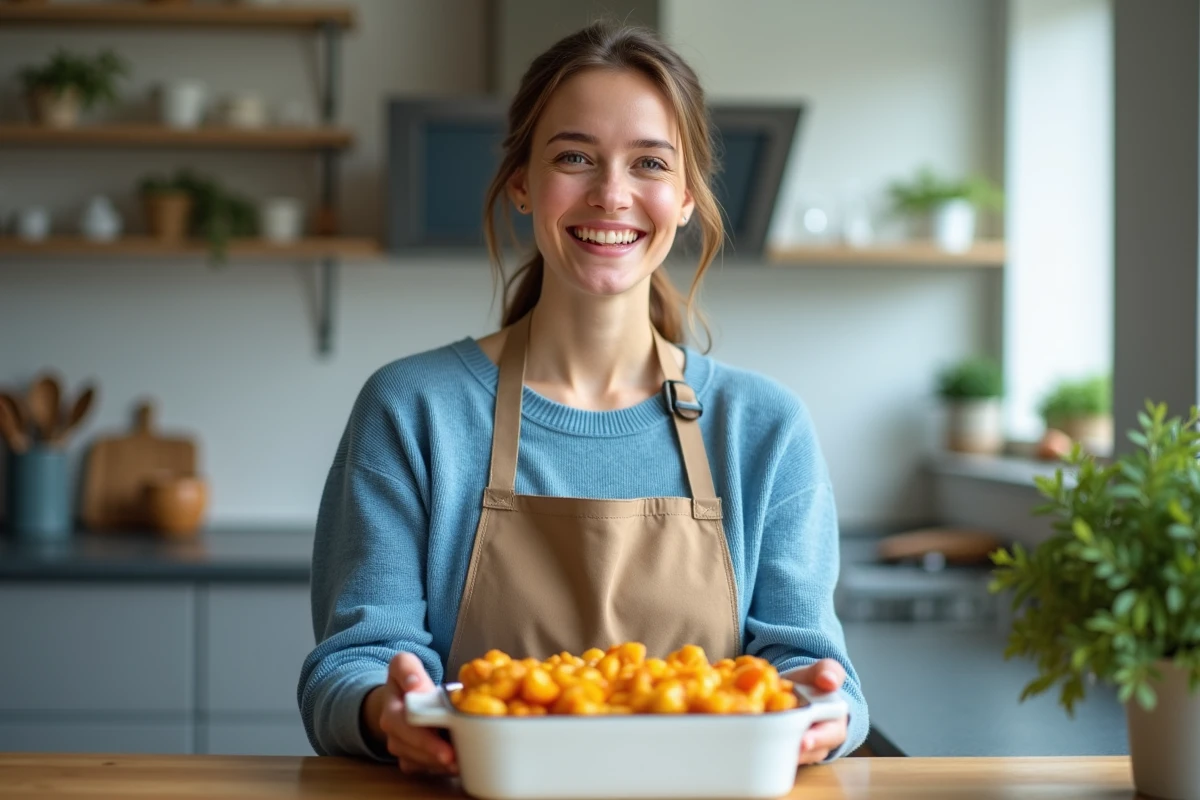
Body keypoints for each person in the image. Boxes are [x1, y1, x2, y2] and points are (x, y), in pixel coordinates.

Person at [298, 20, 869, 774]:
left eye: (650, 164)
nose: (611, 194)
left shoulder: (763, 428)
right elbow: (352, 665)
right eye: (575, 157)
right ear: (523, 184)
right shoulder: (414, 409)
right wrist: (385, 708)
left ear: (688, 196)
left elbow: (818, 672)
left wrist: (822, 709)